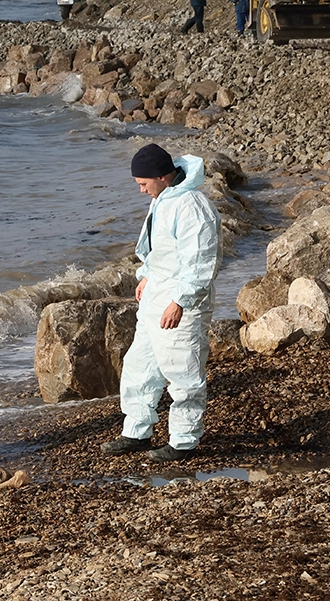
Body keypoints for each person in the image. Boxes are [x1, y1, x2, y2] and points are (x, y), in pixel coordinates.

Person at [101, 144, 220, 463]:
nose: (141, 190)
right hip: (156, 297)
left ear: (163, 176)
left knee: (183, 372)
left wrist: (180, 302)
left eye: (143, 183)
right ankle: (136, 431)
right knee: (139, 366)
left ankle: (184, 440)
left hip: (182, 302)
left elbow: (200, 259)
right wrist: (146, 276)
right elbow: (160, 248)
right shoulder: (163, 198)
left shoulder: (192, 205)